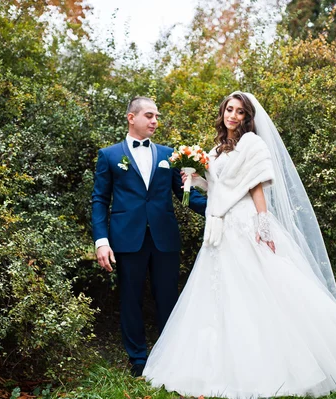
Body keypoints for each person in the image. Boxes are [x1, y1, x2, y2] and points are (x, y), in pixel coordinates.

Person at [142, 92, 336, 398]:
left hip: (243, 223)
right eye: (229, 110)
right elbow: (218, 186)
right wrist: (193, 177)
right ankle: (217, 366)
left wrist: (263, 224)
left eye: (240, 112)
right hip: (219, 228)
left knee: (260, 287)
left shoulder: (252, 144)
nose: (233, 115)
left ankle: (289, 363)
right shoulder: (216, 149)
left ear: (248, 117)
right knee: (219, 292)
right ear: (223, 113)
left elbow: (255, 184)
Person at [92, 96, 207, 377]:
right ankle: (139, 359)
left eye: (157, 116)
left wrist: (219, 208)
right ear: (132, 118)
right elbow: (99, 200)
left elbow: (183, 196)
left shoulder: (169, 154)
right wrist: (101, 241)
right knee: (130, 298)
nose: (155, 121)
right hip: (126, 238)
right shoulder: (109, 155)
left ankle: (171, 355)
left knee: (168, 297)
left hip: (164, 237)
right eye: (149, 116)